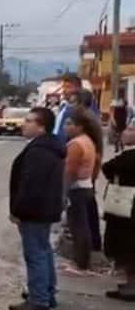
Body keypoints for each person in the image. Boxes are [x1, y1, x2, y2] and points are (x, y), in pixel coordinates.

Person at [9, 107, 66, 310]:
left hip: (34, 210)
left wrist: (18, 210)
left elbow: (30, 185)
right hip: (44, 208)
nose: (24, 124)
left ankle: (39, 299)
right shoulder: (47, 147)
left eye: (29, 120)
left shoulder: (39, 151)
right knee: (43, 251)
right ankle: (46, 293)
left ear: (41, 126)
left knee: (35, 254)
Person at [64, 109, 101, 270]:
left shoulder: (76, 144)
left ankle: (80, 263)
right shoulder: (88, 141)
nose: (66, 127)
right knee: (83, 226)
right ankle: (82, 260)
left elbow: (69, 171)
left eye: (69, 124)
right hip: (86, 187)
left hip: (77, 189)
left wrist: (63, 192)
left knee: (78, 227)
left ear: (80, 127)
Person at [101, 127, 135, 301]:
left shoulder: (128, 157)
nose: (125, 133)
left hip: (127, 209)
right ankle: (129, 284)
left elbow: (108, 168)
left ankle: (131, 287)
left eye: (131, 130)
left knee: (127, 248)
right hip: (127, 209)